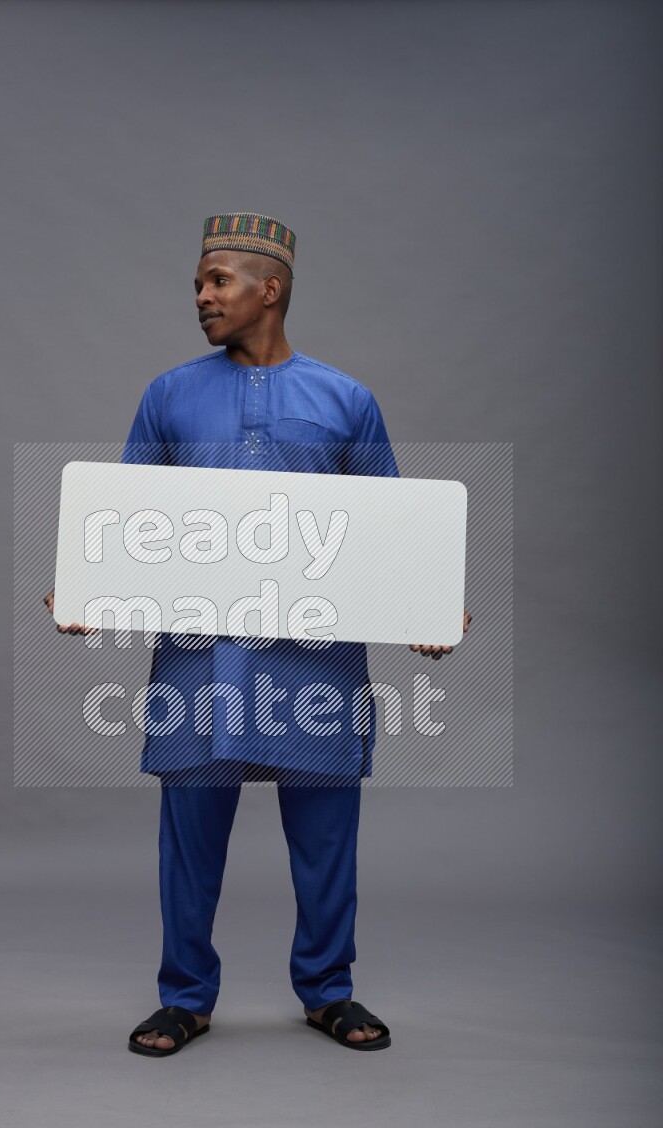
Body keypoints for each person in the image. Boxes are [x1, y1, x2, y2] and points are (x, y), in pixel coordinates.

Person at [44, 212, 471, 1056]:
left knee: (325, 839)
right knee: (190, 840)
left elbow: (394, 525)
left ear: (268, 287)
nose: (201, 296)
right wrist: (88, 584)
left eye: (217, 280)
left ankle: (327, 989)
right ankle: (185, 994)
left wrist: (428, 605)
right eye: (199, 283)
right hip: (200, 662)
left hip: (315, 666)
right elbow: (126, 519)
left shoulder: (346, 399)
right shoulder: (169, 394)